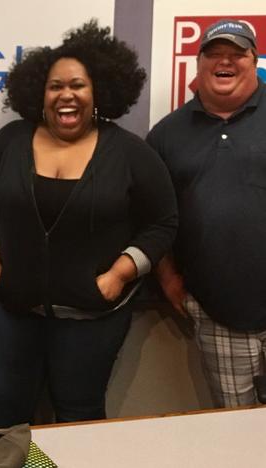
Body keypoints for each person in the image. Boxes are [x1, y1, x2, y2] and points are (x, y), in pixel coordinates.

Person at [0, 20, 178, 427]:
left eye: (77, 85)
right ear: (39, 94)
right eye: (55, 86)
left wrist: (120, 273)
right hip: (14, 310)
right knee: (3, 414)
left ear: (98, 90)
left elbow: (163, 222)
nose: (66, 95)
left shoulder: (129, 153)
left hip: (92, 318)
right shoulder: (10, 142)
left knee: (78, 419)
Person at [147, 19, 266, 407]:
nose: (225, 61)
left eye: (236, 54)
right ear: (199, 64)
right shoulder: (166, 134)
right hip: (219, 313)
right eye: (214, 54)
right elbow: (153, 218)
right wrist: (167, 278)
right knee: (235, 433)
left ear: (254, 61)